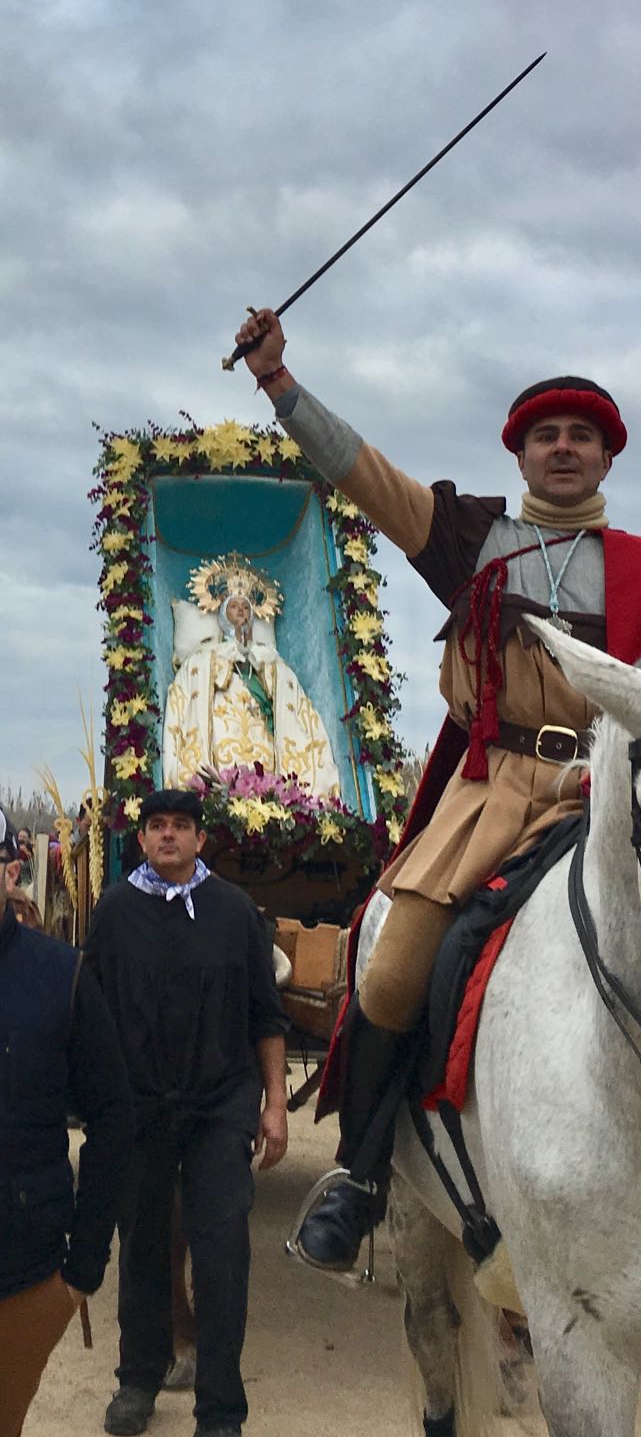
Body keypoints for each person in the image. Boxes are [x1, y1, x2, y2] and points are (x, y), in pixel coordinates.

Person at [233, 307, 641, 1273]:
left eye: (583, 435)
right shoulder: (470, 537)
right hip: (491, 792)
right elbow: (365, 477)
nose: (565, 448)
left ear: (607, 458)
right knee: (392, 970)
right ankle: (365, 1178)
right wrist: (280, 387)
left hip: (609, 791)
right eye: (548, 435)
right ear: (524, 453)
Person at [83, 788, 289, 1437]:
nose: (168, 835)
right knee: (142, 1242)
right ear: (140, 840)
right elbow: (91, 1016)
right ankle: (138, 1380)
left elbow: (265, 1014)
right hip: (140, 1107)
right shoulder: (114, 912)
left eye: (181, 826)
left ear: (201, 839)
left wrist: (277, 1103)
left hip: (219, 1106)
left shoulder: (233, 913)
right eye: (156, 826)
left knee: (223, 1249)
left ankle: (220, 1407)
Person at [0, 806, 133, 1437]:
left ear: (10, 871)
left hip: (22, 1267)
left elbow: (112, 1116)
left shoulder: (63, 976)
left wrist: (83, 1267)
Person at [162, 557, 340, 796]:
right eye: (234, 607)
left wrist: (266, 671)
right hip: (220, 731)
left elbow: (291, 702)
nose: (242, 613)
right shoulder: (203, 658)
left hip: (261, 739)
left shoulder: (271, 661)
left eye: (246, 608)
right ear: (223, 613)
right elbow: (187, 697)